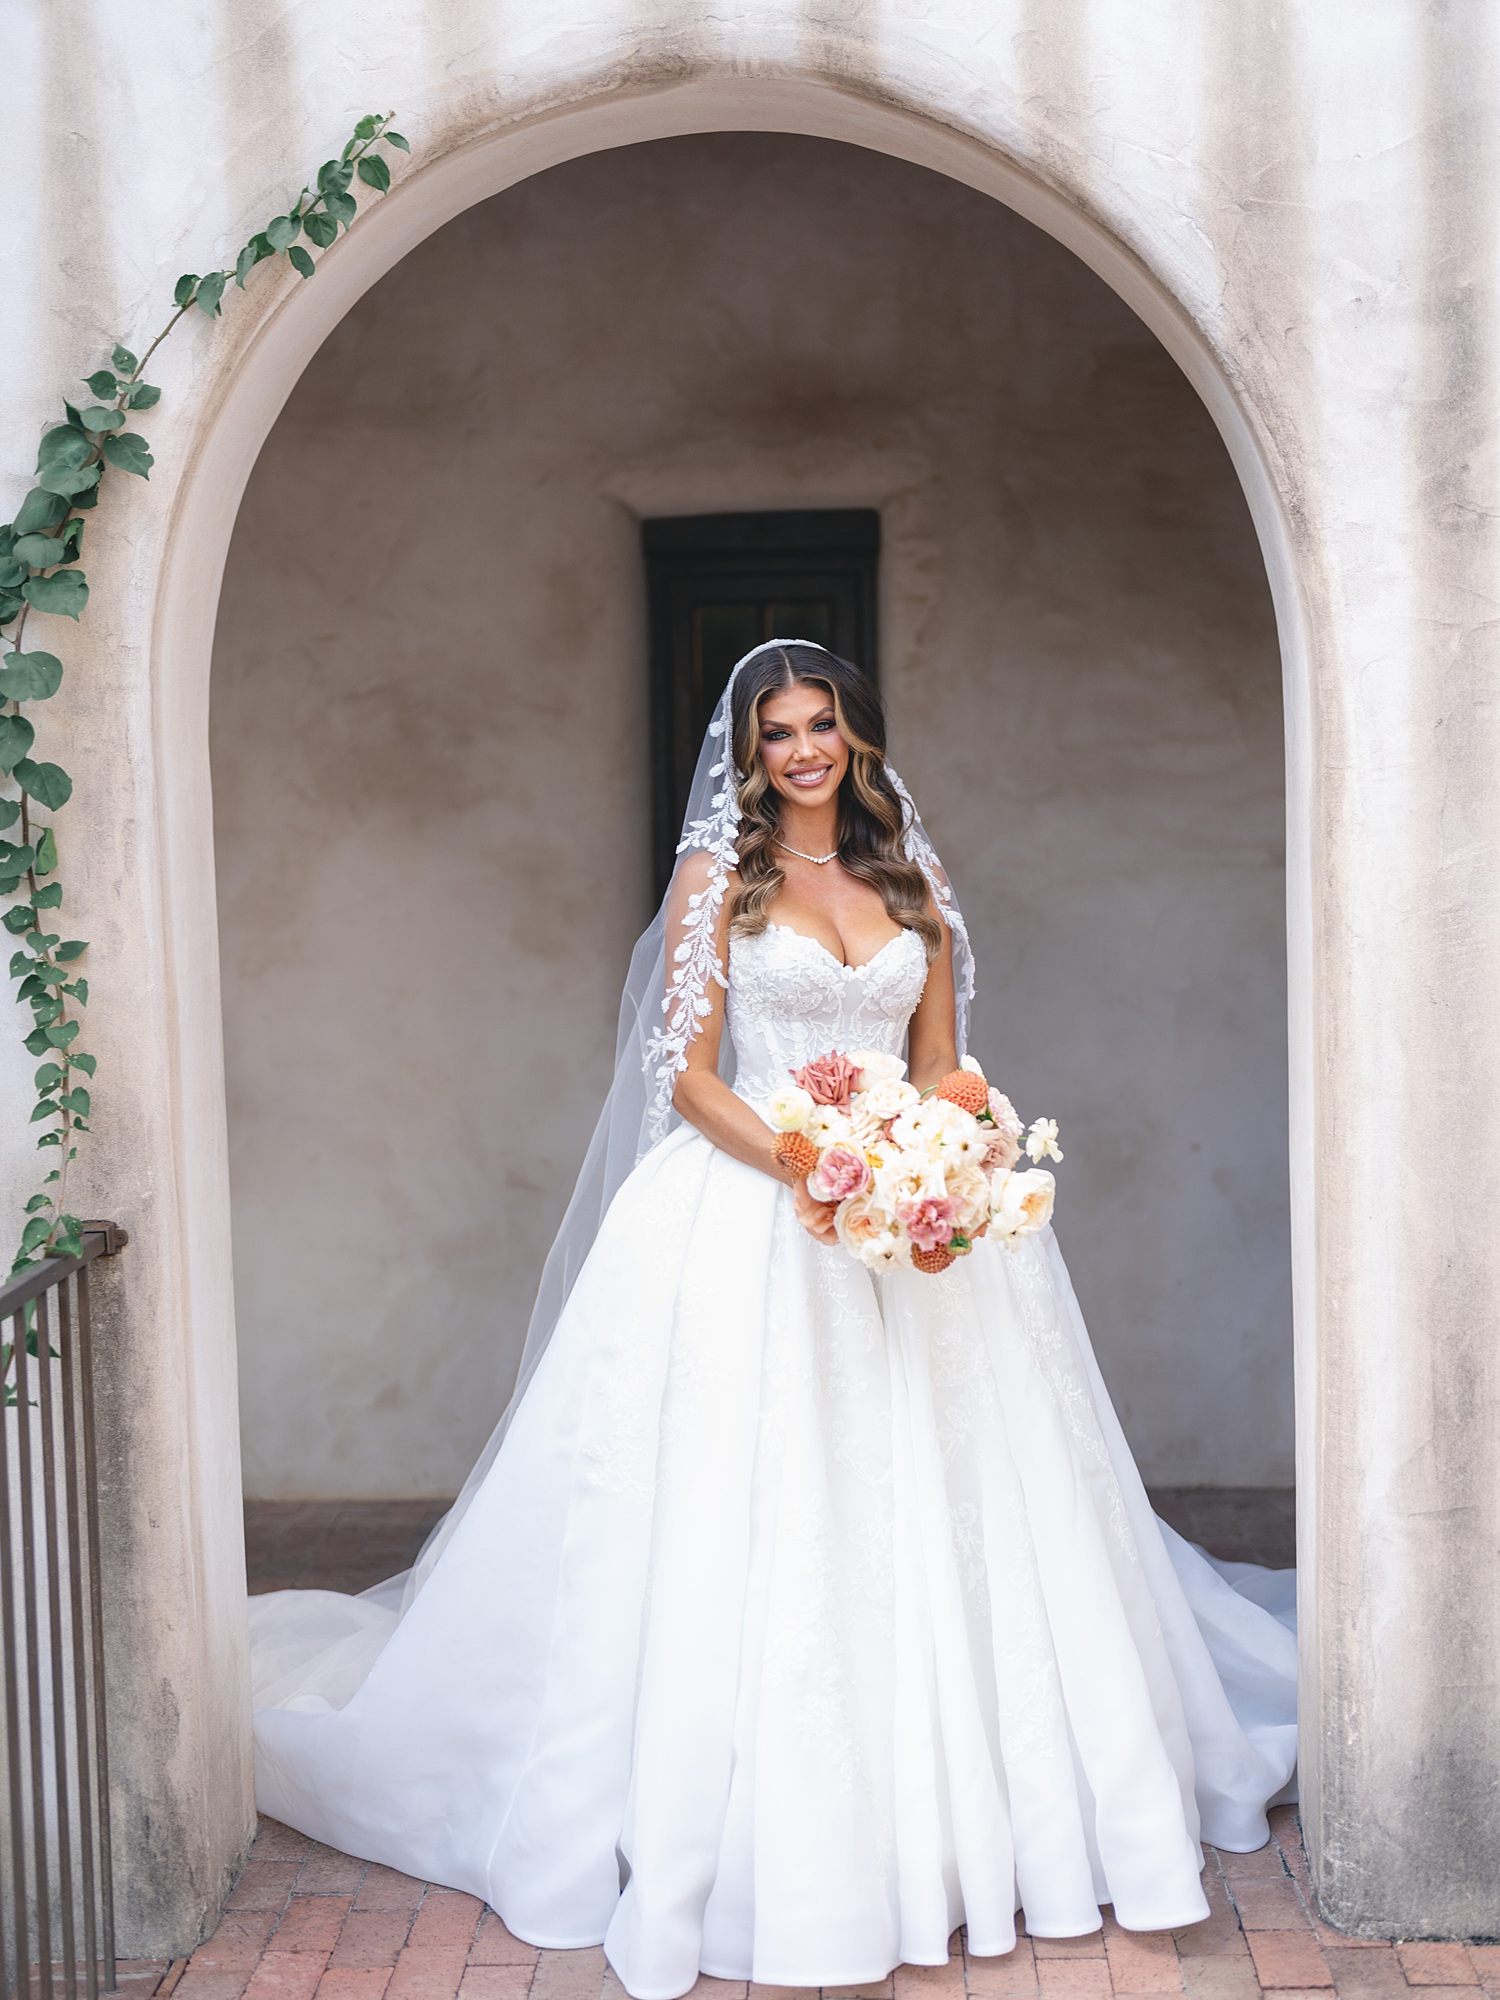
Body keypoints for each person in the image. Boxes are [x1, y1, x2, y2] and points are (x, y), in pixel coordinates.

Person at [249, 640, 1297, 2000]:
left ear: (857, 738)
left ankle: (981, 1798)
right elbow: (683, 1079)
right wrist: (818, 1164)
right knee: (759, 1504)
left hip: (906, 1222)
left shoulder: (910, 887)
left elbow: (937, 1067)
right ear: (749, 754)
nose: (802, 750)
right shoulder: (719, 884)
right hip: (755, 1210)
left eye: (823, 725)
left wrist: (945, 1163)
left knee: (951, 1501)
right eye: (776, 731)